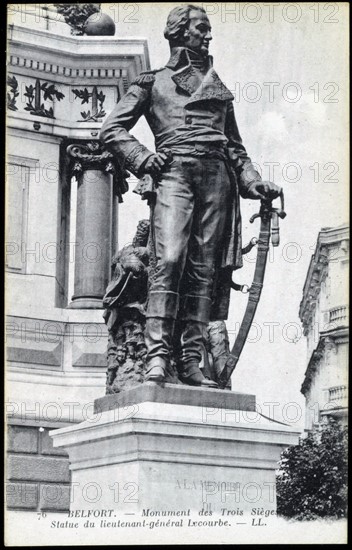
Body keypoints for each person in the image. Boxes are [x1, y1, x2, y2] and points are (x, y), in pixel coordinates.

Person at [100, 5, 281, 388]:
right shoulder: (152, 82)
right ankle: (157, 357)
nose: (208, 35)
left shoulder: (218, 87)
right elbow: (112, 130)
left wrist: (254, 182)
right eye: (202, 28)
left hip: (218, 180)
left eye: (208, 29)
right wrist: (144, 158)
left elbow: (235, 148)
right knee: (169, 259)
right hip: (175, 174)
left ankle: (190, 361)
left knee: (204, 270)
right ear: (180, 33)